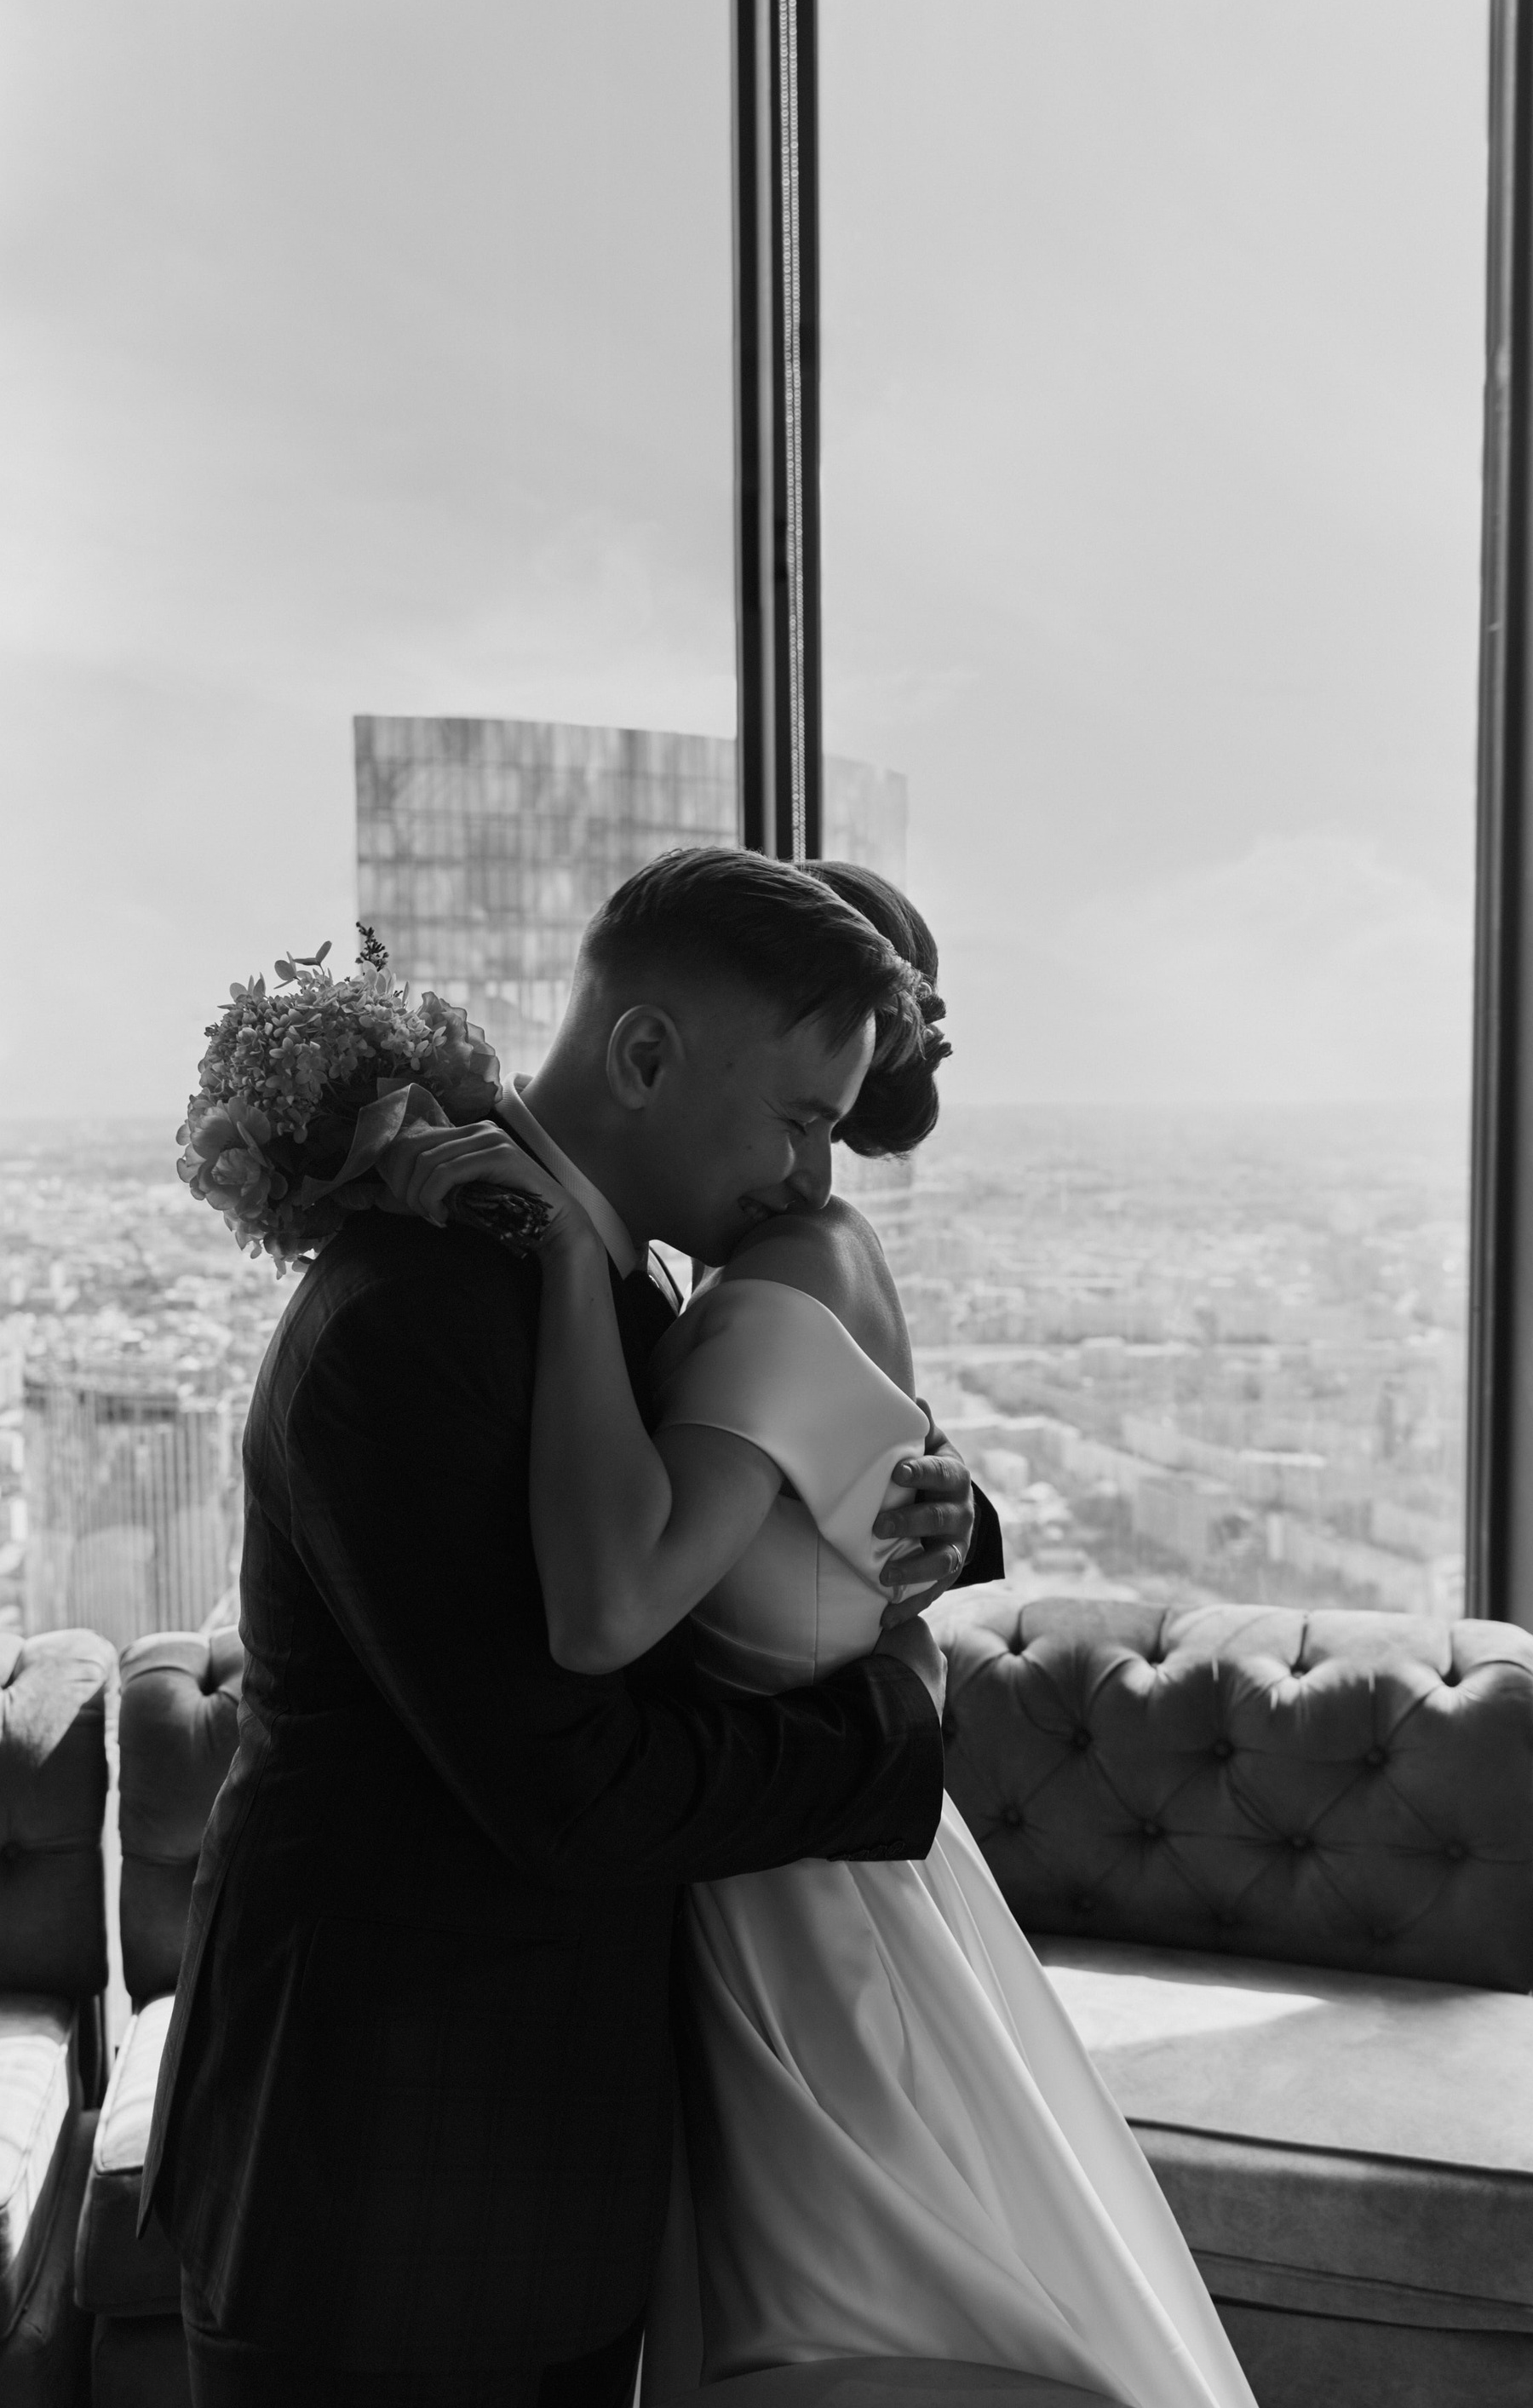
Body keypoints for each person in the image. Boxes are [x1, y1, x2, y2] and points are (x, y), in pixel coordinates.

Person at [141, 847, 1003, 2408]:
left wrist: (934, 1507)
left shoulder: (604, 1279)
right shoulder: (414, 1317)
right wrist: (895, 1733)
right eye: (800, 1121)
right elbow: (573, 1787)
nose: (815, 1179)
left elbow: (735, 1480)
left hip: (555, 2175)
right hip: (378, 2190)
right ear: (647, 1055)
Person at [395, 861, 1257, 2408]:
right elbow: (850, 1489)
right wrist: (932, 1529)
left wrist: (565, 1260)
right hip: (782, 1894)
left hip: (798, 1909)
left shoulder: (761, 1277)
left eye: (820, 1121)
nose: (799, 1168)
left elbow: (616, 1604)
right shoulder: (749, 1266)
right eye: (795, 1112)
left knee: (865, 2341)